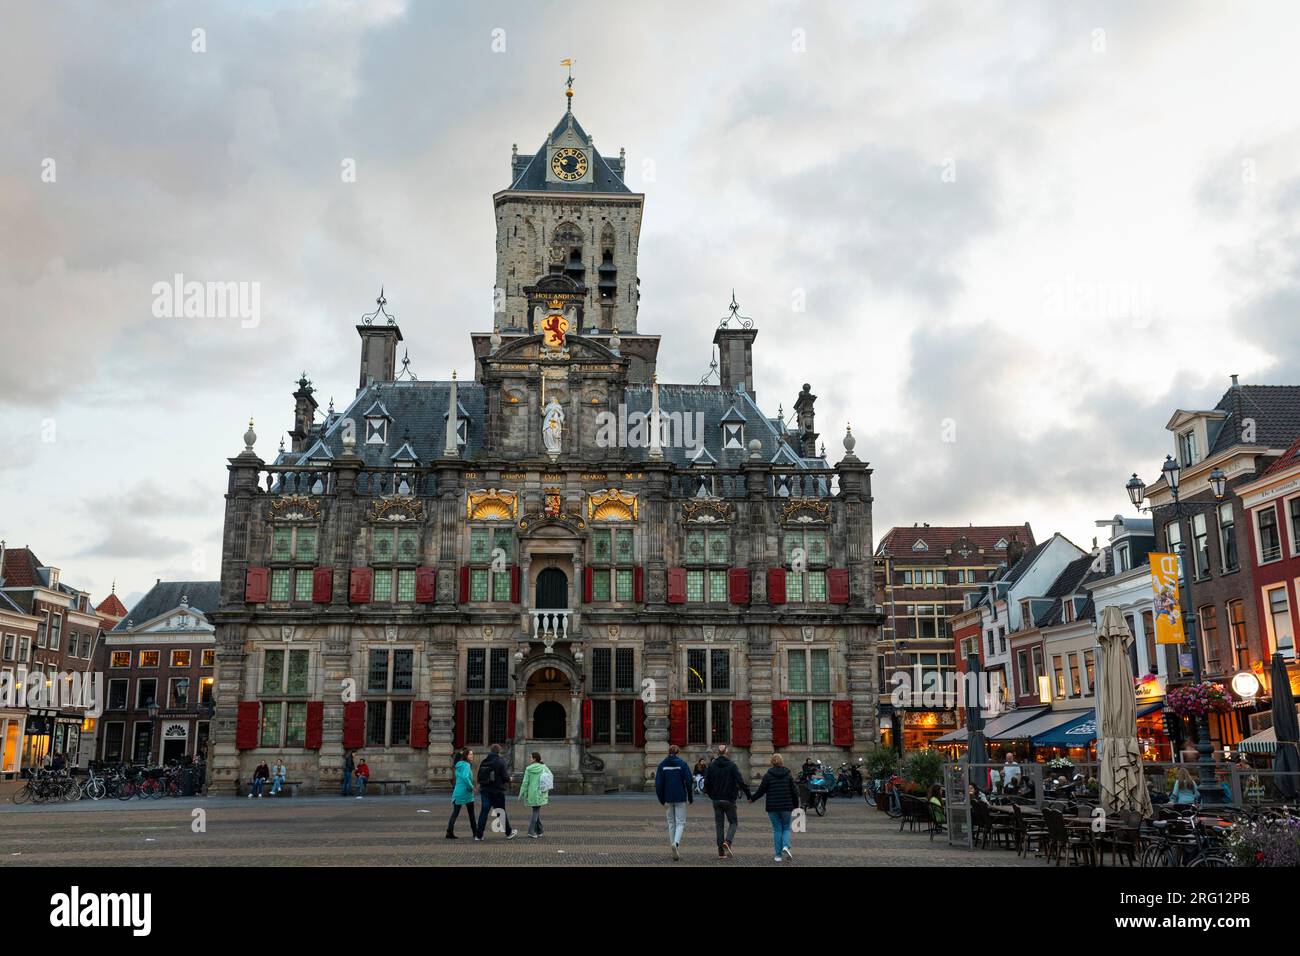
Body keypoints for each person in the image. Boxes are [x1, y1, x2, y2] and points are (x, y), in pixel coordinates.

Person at [703, 743, 752, 859]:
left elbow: (706, 784)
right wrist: (749, 796)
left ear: (717, 753)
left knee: (719, 825)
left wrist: (712, 795)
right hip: (729, 799)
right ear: (726, 752)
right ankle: (728, 841)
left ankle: (721, 852)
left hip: (716, 799)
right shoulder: (732, 766)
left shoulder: (712, 766)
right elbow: (741, 782)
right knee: (733, 822)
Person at [752, 753, 800, 863]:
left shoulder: (768, 775)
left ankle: (778, 855)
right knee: (786, 828)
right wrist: (796, 805)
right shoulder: (788, 775)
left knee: (777, 829)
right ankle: (786, 846)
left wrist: (752, 799)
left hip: (772, 807)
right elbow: (794, 791)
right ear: (782, 762)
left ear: (772, 762)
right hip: (786, 806)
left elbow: (761, 790)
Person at [655, 744, 694, 860]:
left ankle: (673, 845)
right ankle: (675, 844)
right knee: (680, 822)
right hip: (680, 796)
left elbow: (658, 784)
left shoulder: (662, 765)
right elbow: (689, 781)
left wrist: (661, 799)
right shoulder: (682, 764)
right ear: (678, 753)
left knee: (671, 823)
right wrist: (690, 797)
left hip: (667, 797)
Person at [475, 743, 518, 840]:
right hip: (497, 791)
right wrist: (509, 779)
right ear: (499, 751)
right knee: (500, 812)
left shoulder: (484, 761)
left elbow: (479, 776)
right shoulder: (500, 761)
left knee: (483, 812)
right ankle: (509, 833)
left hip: (485, 790)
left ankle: (479, 835)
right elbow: (505, 777)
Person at [446, 748, 479, 839]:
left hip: (458, 792)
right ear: (466, 756)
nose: (472, 756)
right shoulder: (466, 765)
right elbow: (465, 777)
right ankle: (475, 832)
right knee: (471, 814)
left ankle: (449, 832)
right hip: (466, 792)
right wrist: (471, 787)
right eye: (470, 755)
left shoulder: (458, 765)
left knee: (455, 813)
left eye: (472, 754)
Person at [519, 751, 552, 838]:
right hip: (541, 792)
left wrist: (521, 794)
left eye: (530, 757)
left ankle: (533, 831)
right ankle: (537, 831)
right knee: (536, 811)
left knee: (536, 811)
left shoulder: (528, 769)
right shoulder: (543, 767)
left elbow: (525, 783)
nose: (529, 759)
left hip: (532, 793)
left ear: (534, 759)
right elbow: (551, 776)